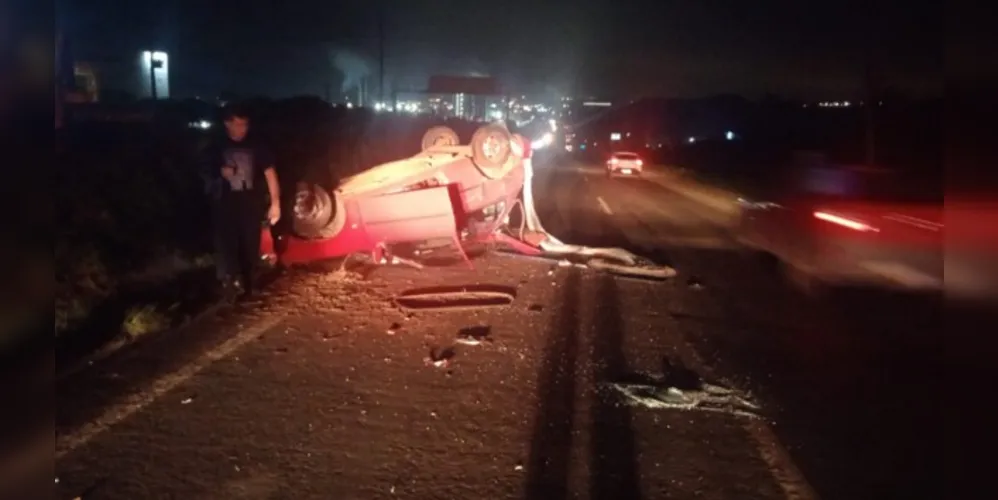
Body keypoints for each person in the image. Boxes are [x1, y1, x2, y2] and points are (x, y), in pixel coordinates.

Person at [201, 104, 281, 298]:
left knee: (250, 243)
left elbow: (270, 172)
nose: (242, 129)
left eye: (245, 124)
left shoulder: (255, 144)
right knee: (227, 243)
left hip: (250, 202)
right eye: (237, 124)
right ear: (227, 123)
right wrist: (220, 171)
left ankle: (250, 284)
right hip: (224, 203)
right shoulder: (216, 145)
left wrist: (275, 203)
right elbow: (204, 170)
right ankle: (230, 283)